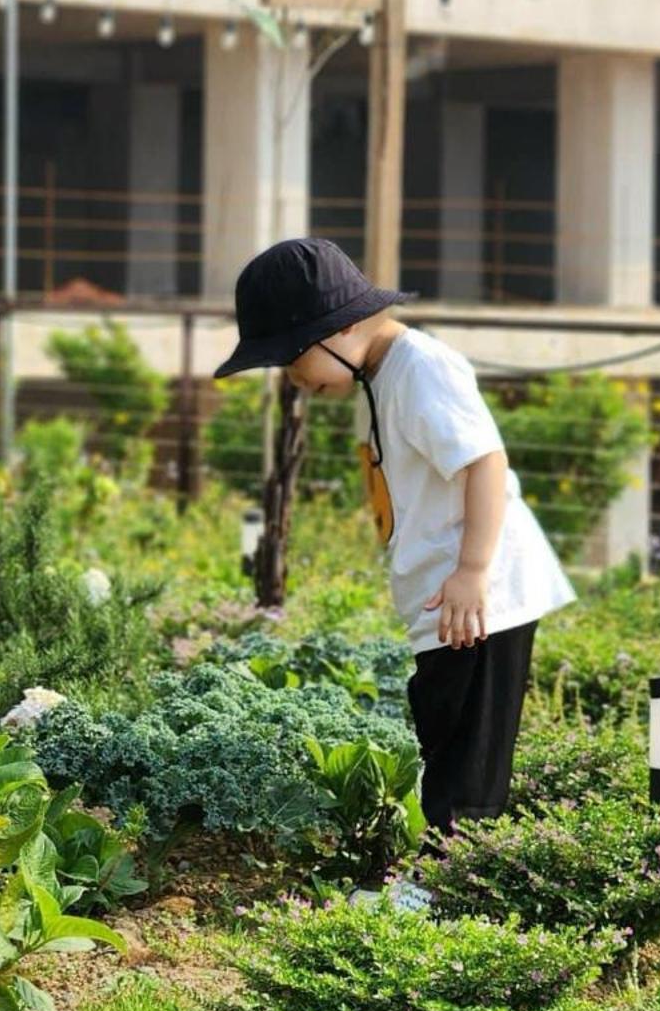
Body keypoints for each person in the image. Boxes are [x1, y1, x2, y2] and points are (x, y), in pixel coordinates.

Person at [214, 236, 575, 844]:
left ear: (341, 328)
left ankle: (453, 885)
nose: (295, 377)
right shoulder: (378, 378)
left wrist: (471, 571)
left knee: (468, 754)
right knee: (441, 725)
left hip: (483, 597)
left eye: (293, 356)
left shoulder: (421, 369)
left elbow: (484, 463)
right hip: (450, 599)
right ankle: (443, 869)